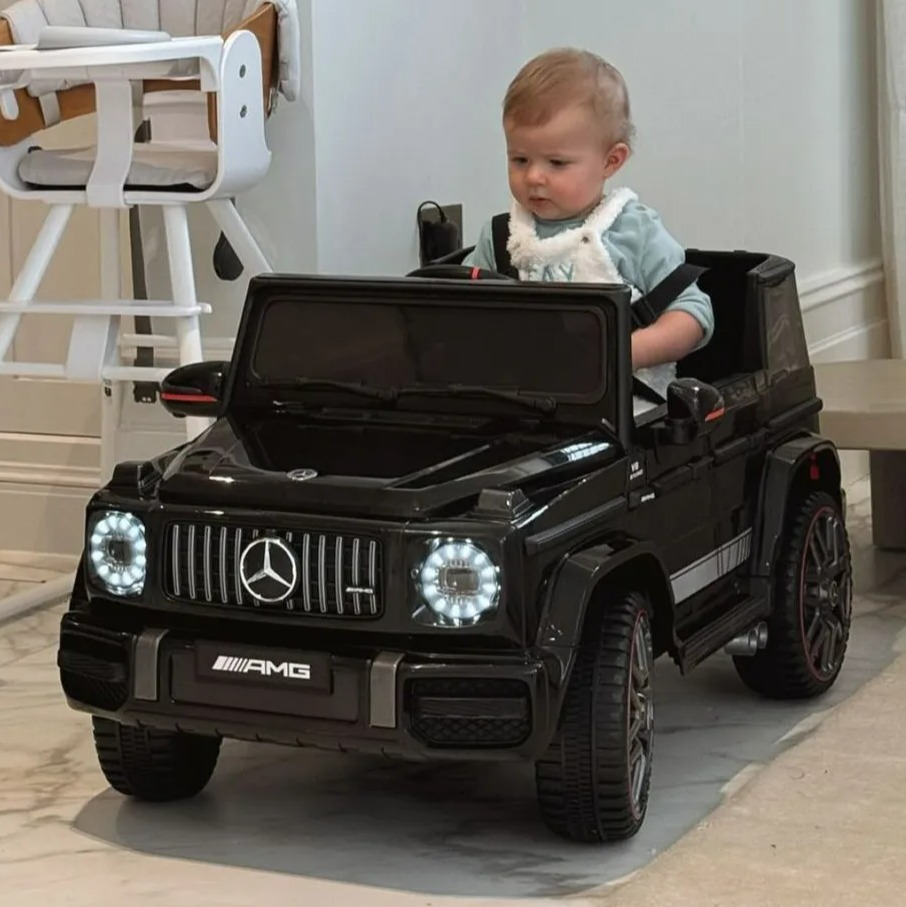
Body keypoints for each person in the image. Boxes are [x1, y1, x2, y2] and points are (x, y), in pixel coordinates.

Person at [463, 47, 713, 413]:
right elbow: (459, 310)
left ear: (611, 161)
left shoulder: (632, 230)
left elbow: (694, 312)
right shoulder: (502, 236)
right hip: (519, 403)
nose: (533, 176)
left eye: (557, 162)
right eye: (519, 159)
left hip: (626, 407)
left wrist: (628, 352)